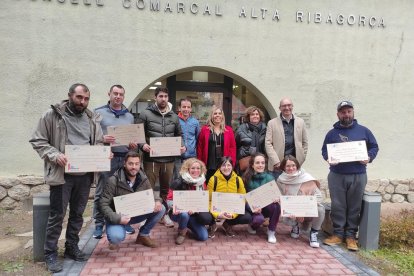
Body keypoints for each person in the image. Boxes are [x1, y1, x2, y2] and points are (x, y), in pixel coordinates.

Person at [29, 83, 104, 273]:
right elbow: (38, 140)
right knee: (57, 216)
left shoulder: (92, 117)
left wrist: (103, 154)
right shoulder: (52, 115)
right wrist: (55, 155)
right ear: (70, 95)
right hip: (62, 176)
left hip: (85, 176)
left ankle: (71, 247)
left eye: (86, 98)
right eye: (79, 97)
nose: (83, 102)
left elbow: (98, 142)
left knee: (78, 215)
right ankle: (50, 253)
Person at [321, 100, 379, 251]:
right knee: (338, 205)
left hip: (358, 174)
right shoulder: (332, 133)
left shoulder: (364, 131)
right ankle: (338, 234)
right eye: (343, 112)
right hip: (337, 175)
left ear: (353, 112)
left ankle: (351, 237)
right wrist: (328, 158)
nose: (346, 114)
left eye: (349, 111)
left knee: (354, 206)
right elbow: (324, 150)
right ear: (338, 114)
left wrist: (369, 157)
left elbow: (374, 146)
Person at [93, 84, 137, 239]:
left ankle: (125, 221)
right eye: (115, 93)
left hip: (124, 157)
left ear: (124, 97)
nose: (118, 96)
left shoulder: (129, 116)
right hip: (106, 158)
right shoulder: (98, 113)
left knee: (125, 191)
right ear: (109, 94)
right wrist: (102, 138)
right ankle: (98, 224)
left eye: (121, 94)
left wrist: (133, 144)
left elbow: (133, 139)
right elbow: (91, 135)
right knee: (102, 191)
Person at [138, 87, 185, 228]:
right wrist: (143, 145)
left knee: (165, 189)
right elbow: (138, 134)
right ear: (155, 97)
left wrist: (182, 146)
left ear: (168, 98)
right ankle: (145, 217)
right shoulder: (145, 114)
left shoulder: (174, 116)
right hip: (151, 159)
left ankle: (163, 215)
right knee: (148, 188)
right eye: (160, 96)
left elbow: (179, 135)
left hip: (168, 160)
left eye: (165, 96)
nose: (163, 99)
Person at [99, 151, 165, 249]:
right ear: (124, 164)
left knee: (161, 209)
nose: (134, 167)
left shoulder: (143, 178)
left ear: (139, 164)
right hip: (118, 217)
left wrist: (157, 200)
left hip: (136, 214)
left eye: (136, 164)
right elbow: (103, 204)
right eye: (130, 164)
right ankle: (113, 238)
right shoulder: (113, 180)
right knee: (116, 237)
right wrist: (117, 218)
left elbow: (151, 193)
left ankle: (143, 235)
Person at [276, 155, 325, 248]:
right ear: (283, 167)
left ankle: (313, 233)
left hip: (307, 209)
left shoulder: (306, 178)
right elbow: (280, 196)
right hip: (292, 210)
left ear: (297, 166)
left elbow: (319, 197)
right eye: (288, 166)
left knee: (321, 209)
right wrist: (288, 208)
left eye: (293, 165)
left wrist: (304, 209)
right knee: (282, 211)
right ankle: (295, 226)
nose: (291, 168)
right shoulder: (281, 180)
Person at [167, 158, 214, 244]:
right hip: (179, 213)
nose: (195, 170)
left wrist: (196, 209)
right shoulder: (178, 182)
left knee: (203, 237)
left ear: (201, 170)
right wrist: (174, 206)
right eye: (193, 168)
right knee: (184, 215)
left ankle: (188, 224)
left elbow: (203, 199)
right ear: (187, 169)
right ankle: (182, 232)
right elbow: (169, 199)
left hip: (193, 214)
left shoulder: (202, 182)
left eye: (198, 168)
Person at [207, 156, 252, 237]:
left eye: (229, 165)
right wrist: (217, 214)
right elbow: (209, 200)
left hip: (232, 209)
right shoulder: (213, 179)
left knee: (247, 217)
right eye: (223, 165)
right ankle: (212, 225)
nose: (226, 168)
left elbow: (243, 199)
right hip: (217, 209)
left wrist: (232, 214)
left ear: (232, 166)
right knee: (205, 217)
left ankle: (227, 224)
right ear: (219, 167)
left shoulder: (238, 179)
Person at [265, 98, 308, 179]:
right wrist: (276, 161)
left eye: (289, 105)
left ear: (292, 106)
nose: (287, 108)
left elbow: (305, 143)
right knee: (277, 190)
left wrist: (302, 158)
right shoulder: (272, 123)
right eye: (284, 106)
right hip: (278, 166)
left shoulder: (300, 122)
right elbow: (268, 143)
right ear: (280, 108)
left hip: (294, 165)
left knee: (293, 190)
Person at [242, 153, 280, 243]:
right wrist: (252, 208)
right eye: (257, 163)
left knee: (276, 206)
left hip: (266, 206)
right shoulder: (246, 178)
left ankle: (271, 231)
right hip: (253, 208)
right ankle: (252, 225)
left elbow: (275, 194)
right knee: (258, 220)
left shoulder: (270, 177)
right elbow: (243, 198)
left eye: (262, 163)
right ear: (252, 165)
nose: (260, 165)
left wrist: (276, 198)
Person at [197, 106, 236, 183]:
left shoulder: (229, 130)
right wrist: (200, 163)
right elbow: (200, 147)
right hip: (209, 164)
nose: (217, 115)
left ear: (222, 116)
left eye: (219, 113)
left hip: (224, 165)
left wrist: (232, 162)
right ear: (212, 116)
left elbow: (233, 147)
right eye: (215, 113)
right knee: (209, 185)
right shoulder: (205, 129)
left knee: (222, 185)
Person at [173, 98, 200, 180]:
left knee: (191, 179)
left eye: (188, 107)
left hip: (191, 157)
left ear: (191, 109)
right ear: (179, 108)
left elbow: (197, 138)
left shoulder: (195, 122)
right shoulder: (174, 120)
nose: (186, 109)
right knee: (178, 179)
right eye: (184, 107)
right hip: (177, 157)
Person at [235, 106, 267, 174]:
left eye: (257, 114)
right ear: (248, 117)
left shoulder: (265, 129)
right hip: (246, 162)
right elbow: (236, 145)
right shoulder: (241, 129)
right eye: (252, 114)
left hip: (261, 162)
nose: (255, 116)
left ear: (260, 116)